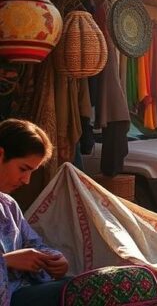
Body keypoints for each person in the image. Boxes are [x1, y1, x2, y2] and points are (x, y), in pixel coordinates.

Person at [0, 119, 72, 306]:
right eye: (23, 169)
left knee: (93, 285)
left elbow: (33, 244)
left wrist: (54, 260)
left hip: (22, 292)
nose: (26, 180)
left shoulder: (8, 206)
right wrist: (6, 261)